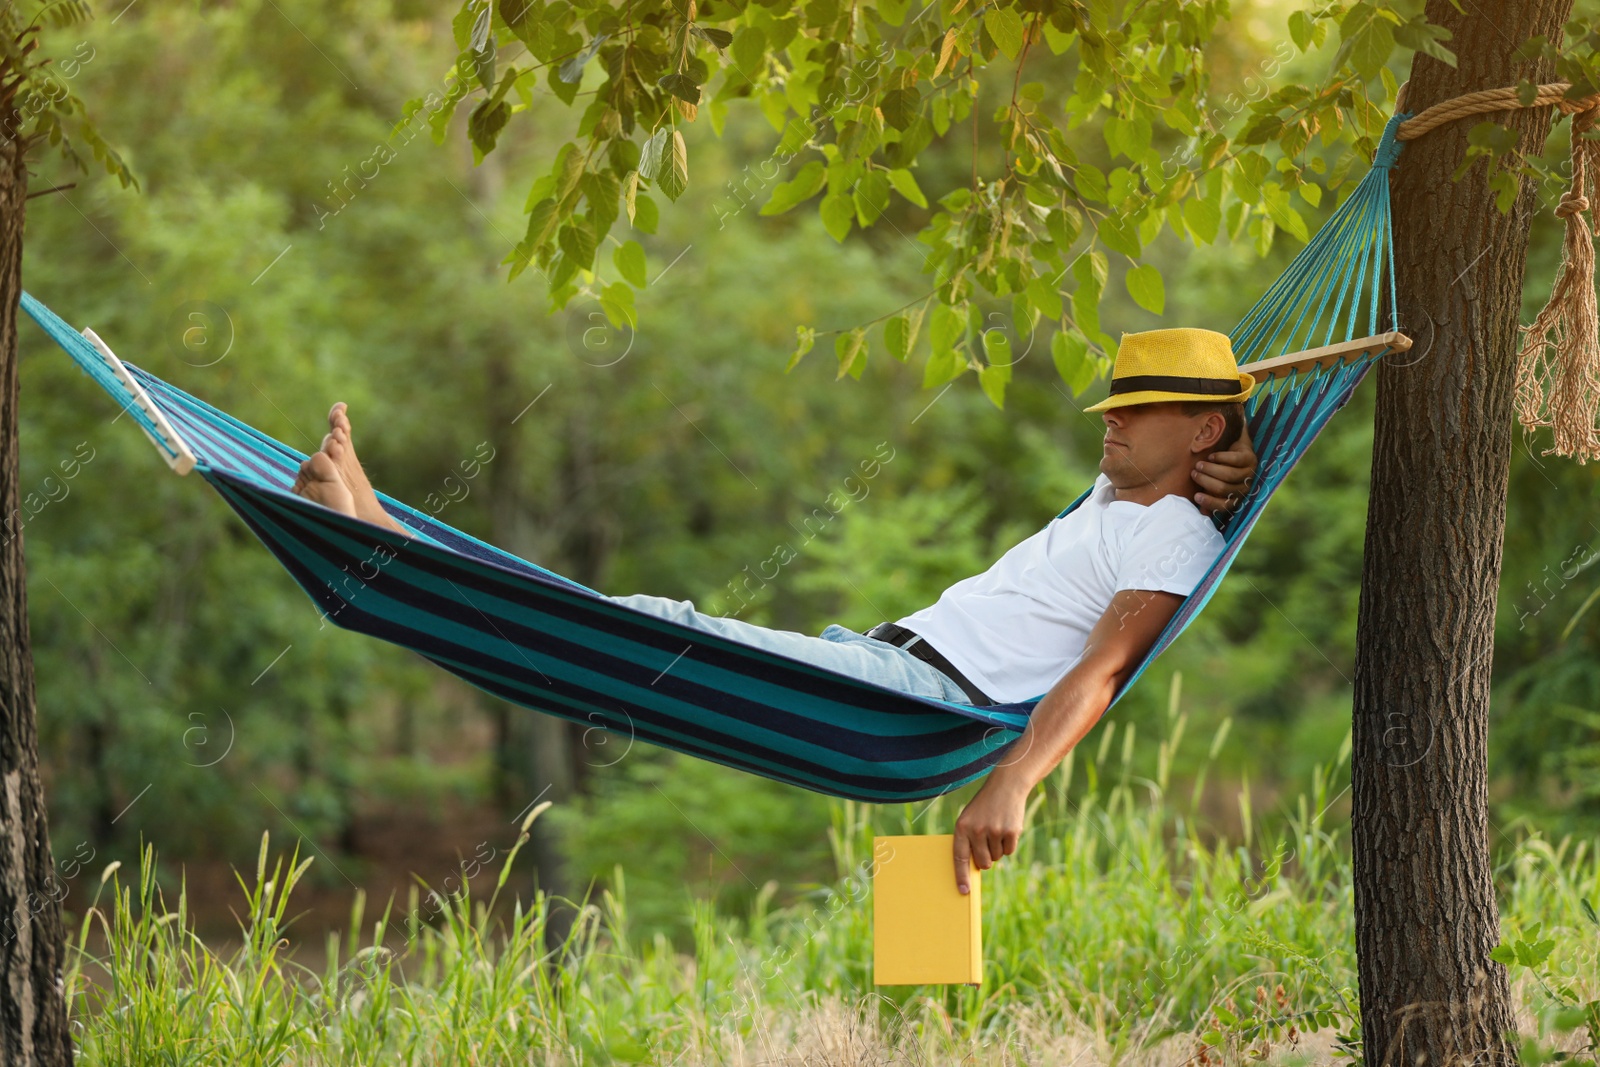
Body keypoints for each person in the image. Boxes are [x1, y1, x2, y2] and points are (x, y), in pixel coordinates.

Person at [290, 326, 1259, 893]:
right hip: (882, 665)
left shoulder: (1171, 535)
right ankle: (389, 539)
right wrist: (1222, 456)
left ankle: (390, 551)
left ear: (1203, 425)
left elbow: (1102, 669)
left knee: (657, 631)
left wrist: (1014, 780)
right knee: (625, 641)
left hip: (913, 708)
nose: (1114, 422)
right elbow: (1178, 466)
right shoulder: (1119, 498)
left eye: (1141, 411)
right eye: (1113, 407)